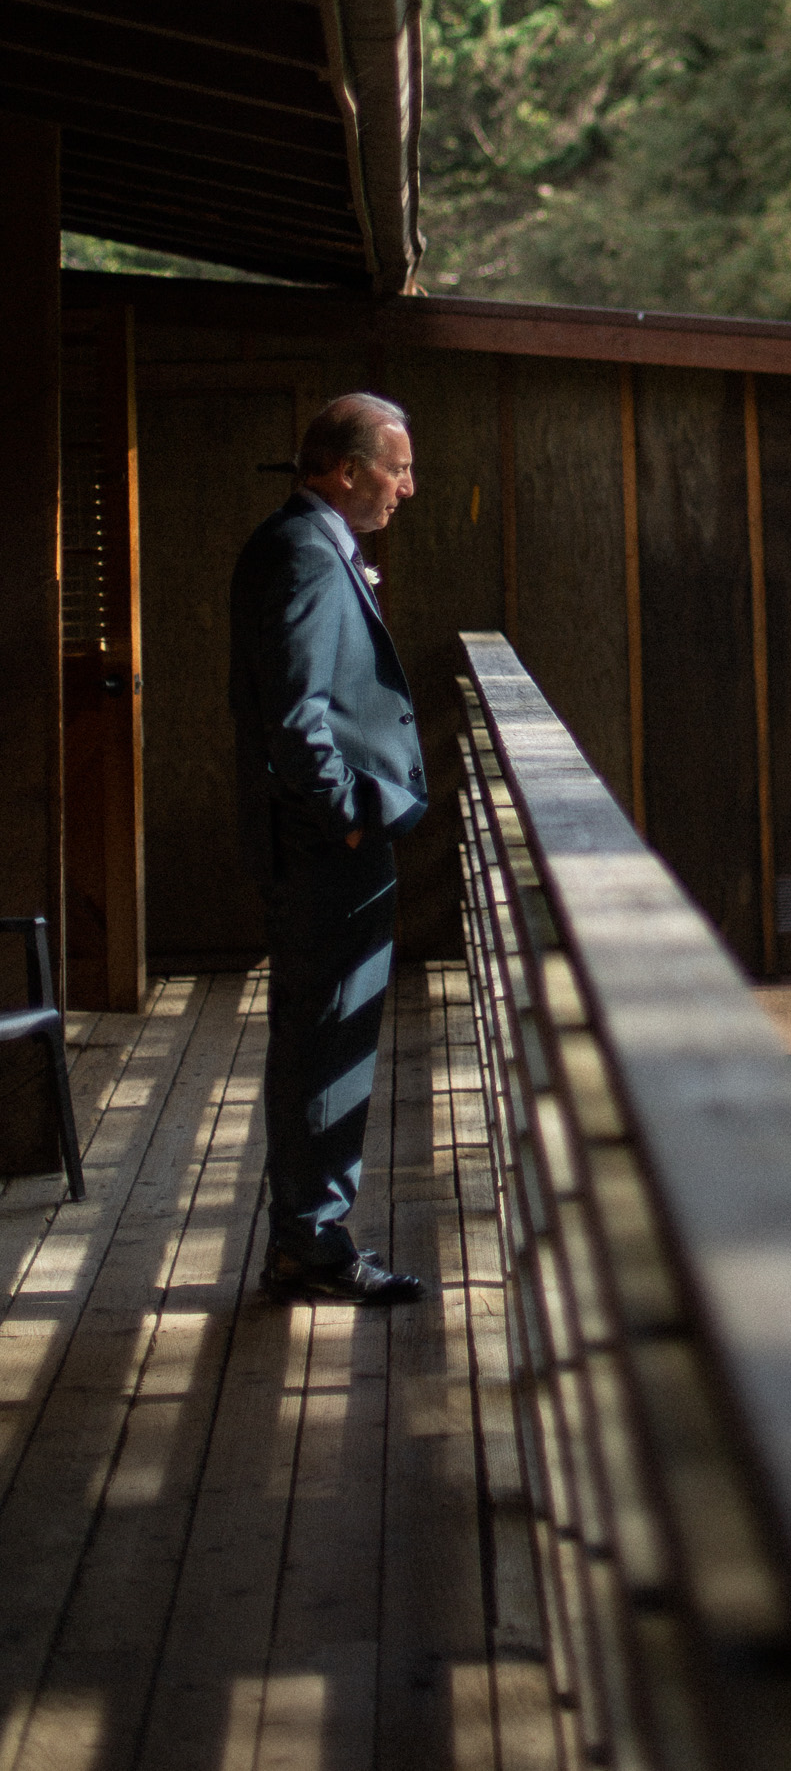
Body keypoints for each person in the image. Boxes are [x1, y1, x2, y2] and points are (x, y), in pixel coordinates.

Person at [230, 393, 428, 1304]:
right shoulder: (305, 554)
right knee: (323, 1044)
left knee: (321, 1038)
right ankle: (311, 1246)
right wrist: (349, 815)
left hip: (326, 844)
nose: (407, 488)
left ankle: (306, 1238)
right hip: (325, 851)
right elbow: (296, 716)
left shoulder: (304, 543)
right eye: (396, 468)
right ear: (347, 471)